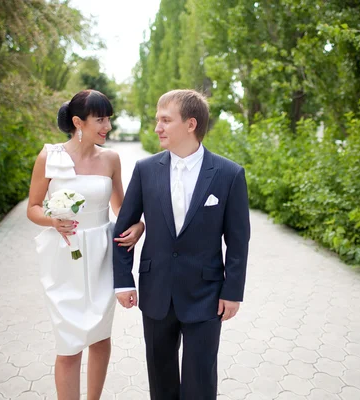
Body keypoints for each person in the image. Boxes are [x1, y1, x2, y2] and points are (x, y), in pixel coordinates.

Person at [112, 89, 251, 399]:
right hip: (156, 289)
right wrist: (123, 282)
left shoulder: (229, 174)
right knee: (160, 376)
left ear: (190, 124)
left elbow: (239, 241)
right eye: (157, 120)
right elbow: (123, 230)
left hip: (206, 293)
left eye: (165, 120)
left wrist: (233, 292)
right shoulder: (146, 170)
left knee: (200, 377)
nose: (157, 127)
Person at [27, 89, 145, 400]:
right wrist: (53, 221)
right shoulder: (48, 156)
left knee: (100, 336)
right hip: (63, 255)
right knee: (68, 344)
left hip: (102, 256)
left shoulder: (111, 159)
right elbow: (33, 207)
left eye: (109, 119)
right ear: (78, 121)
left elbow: (122, 210)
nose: (107, 126)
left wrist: (139, 226)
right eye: (100, 120)